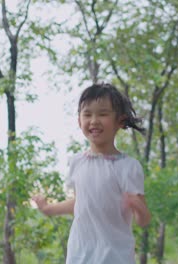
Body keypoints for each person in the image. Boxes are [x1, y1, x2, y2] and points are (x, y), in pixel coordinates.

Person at [32, 83, 151, 264]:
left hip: (115, 256)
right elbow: (81, 203)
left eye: (103, 114)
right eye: (87, 114)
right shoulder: (77, 163)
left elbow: (143, 220)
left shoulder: (128, 167)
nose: (94, 120)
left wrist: (138, 207)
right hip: (80, 255)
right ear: (79, 121)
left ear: (120, 121)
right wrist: (49, 209)